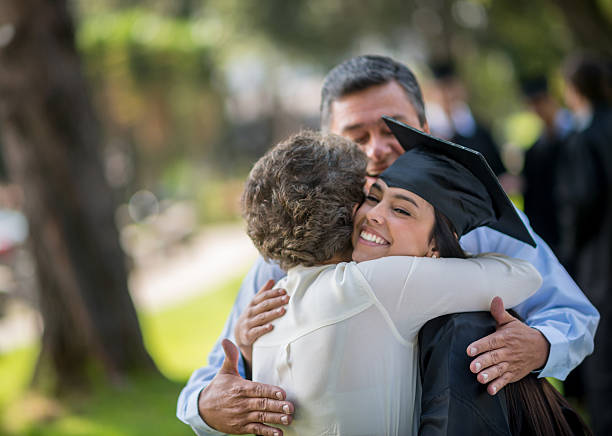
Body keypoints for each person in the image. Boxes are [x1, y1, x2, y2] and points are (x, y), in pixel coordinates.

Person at [177, 55, 599, 436]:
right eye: (356, 136)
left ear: (426, 128)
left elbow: (573, 312)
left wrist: (540, 345)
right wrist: (206, 406)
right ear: (331, 145)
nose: (376, 150)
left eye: (393, 127)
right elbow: (217, 372)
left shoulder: (488, 229)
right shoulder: (296, 249)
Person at [243, 126, 541, 435]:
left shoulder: (266, 317)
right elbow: (524, 276)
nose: (373, 214)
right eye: (372, 197)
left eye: (400, 209)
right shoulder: (373, 285)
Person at [557, 53, 612, 436]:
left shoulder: (583, 137)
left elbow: (582, 201)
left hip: (601, 260)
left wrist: (568, 248)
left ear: (574, 90)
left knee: (604, 357)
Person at [520, 76, 573, 256]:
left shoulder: (578, 137)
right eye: (532, 104)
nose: (538, 109)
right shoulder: (535, 150)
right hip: (551, 232)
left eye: (540, 102)